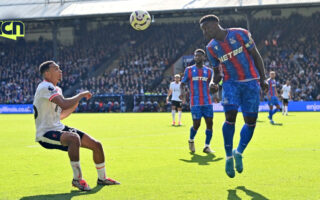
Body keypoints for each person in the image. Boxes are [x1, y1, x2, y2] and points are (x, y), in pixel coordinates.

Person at [33, 61, 120, 191]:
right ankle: (77, 179)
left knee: (96, 145)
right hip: (45, 133)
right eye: (56, 69)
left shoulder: (57, 89)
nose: (60, 71)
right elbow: (63, 103)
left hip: (58, 128)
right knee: (74, 138)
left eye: (59, 68)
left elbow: (60, 115)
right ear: (47, 73)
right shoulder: (45, 86)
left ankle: (102, 178)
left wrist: (74, 104)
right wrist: (79, 96)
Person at [200, 14, 268, 178]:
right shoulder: (211, 48)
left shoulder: (240, 33)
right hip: (230, 83)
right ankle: (229, 155)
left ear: (216, 24)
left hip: (251, 82)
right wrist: (212, 83)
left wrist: (263, 78)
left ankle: (239, 152)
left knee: (250, 122)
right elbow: (217, 72)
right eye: (202, 30)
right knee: (230, 116)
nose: (205, 32)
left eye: (206, 28)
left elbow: (256, 55)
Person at [180, 49, 215, 154]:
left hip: (207, 101)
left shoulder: (209, 71)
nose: (197, 58)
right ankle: (191, 140)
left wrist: (216, 94)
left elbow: (214, 85)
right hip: (195, 102)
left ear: (204, 57)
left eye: (199, 56)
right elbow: (182, 83)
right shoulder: (189, 70)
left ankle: (207, 146)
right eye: (195, 56)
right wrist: (182, 94)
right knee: (197, 124)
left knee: (210, 123)